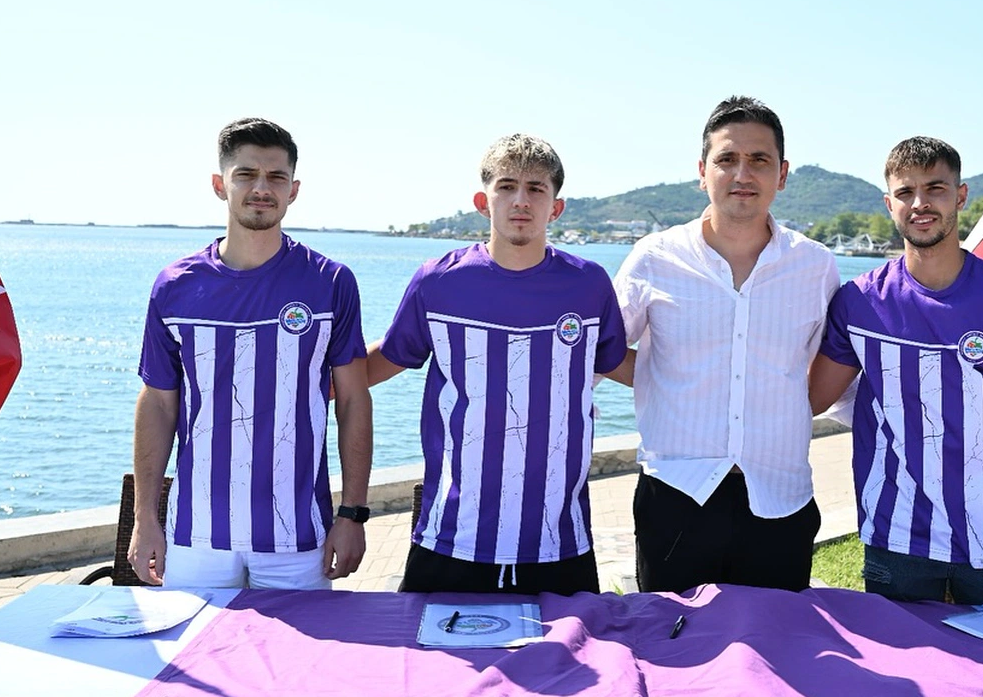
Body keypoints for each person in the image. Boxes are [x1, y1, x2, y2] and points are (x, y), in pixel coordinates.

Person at [366, 134, 627, 595]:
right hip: (451, 538)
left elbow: (620, 364)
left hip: (559, 540)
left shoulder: (589, 285)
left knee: (574, 644)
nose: (521, 200)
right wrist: (305, 382)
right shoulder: (437, 282)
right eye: (506, 186)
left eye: (536, 188)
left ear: (556, 208)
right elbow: (386, 358)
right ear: (482, 202)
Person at [808, 136, 983, 619]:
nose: (920, 203)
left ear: (960, 196)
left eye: (935, 189)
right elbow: (811, 400)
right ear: (889, 204)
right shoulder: (859, 303)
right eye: (906, 192)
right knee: (903, 662)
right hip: (895, 538)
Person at [128, 118, 372, 589]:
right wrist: (145, 518)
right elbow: (158, 402)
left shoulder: (330, 282)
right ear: (220, 185)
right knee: (191, 640)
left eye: (276, 177)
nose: (262, 188)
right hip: (196, 537)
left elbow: (353, 400)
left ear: (293, 190)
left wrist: (352, 513)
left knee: (303, 644)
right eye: (246, 175)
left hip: (298, 537)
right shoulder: (175, 286)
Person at [611, 96, 841, 594]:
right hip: (676, 494)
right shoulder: (653, 258)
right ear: (702, 172)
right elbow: (601, 350)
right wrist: (659, 374)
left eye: (759, 160)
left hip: (780, 497)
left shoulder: (815, 266)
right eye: (727, 159)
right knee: (673, 637)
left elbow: (831, 366)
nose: (742, 173)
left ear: (782, 174)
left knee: (778, 638)